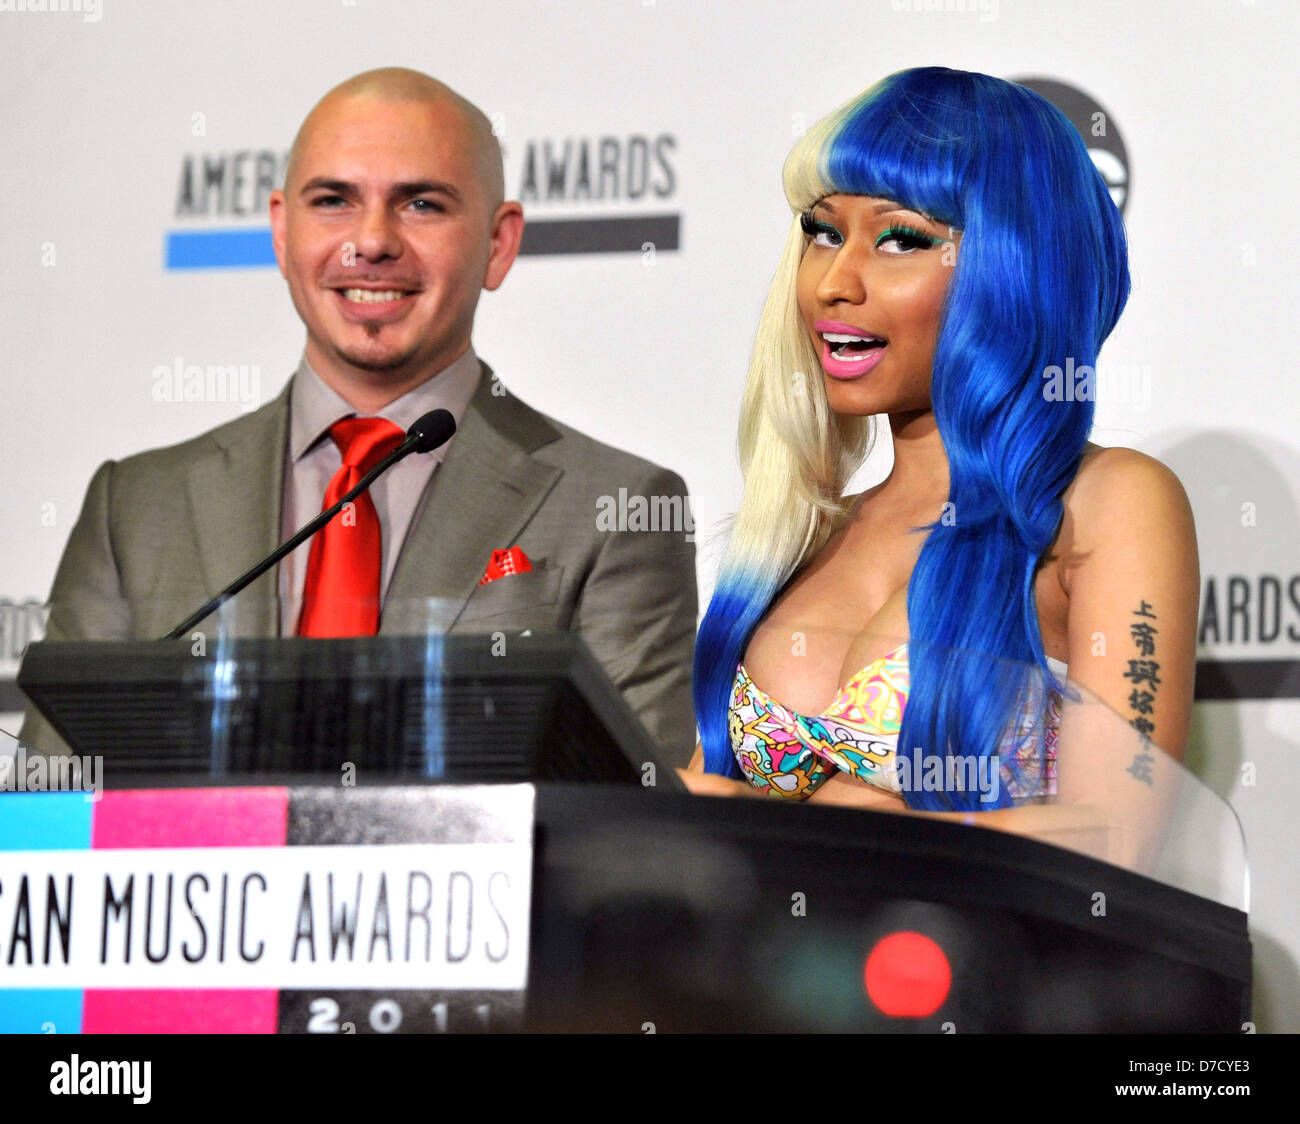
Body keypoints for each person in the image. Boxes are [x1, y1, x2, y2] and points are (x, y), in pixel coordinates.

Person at [19, 67, 697, 766]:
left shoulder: (615, 509)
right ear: (282, 232)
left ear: (498, 244)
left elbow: (629, 837)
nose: (371, 241)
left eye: (423, 204)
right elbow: (54, 817)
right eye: (335, 200)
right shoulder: (133, 508)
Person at [680, 67, 1199, 817]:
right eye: (822, 233)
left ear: (1013, 270)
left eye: (900, 240)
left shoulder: (1110, 502)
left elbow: (1117, 838)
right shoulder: (807, 536)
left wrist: (858, 835)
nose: (833, 281)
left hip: (997, 937)